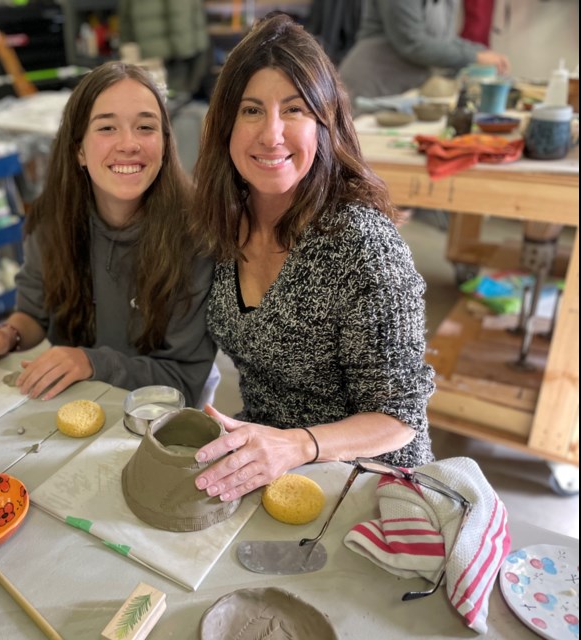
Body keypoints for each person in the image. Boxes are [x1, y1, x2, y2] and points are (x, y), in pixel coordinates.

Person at [190, 14, 435, 504]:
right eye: (252, 110)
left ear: (325, 123)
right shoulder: (221, 224)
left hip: (372, 486)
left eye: (295, 110)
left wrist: (297, 444)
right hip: (272, 472)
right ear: (225, 125)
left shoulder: (362, 245)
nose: (271, 134)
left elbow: (399, 417)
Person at [0, 61, 217, 406]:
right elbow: (35, 312)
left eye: (146, 127)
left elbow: (184, 381)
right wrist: (5, 335)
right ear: (79, 149)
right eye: (107, 128)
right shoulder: (53, 219)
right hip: (76, 400)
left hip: (158, 414)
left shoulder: (197, 236)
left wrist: (90, 362)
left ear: (164, 144)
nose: (129, 144)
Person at [338, 0, 510, 104]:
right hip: (371, 86)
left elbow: (443, 39)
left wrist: (482, 52)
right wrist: (475, 56)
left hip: (404, 91)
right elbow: (413, 43)